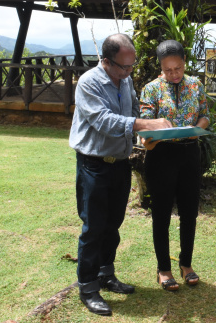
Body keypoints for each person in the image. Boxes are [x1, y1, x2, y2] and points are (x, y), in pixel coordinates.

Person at [69, 33, 171, 316]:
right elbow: (103, 121)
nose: (128, 73)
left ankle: (106, 274)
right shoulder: (89, 83)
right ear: (106, 61)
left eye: (131, 67)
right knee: (93, 227)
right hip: (94, 164)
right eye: (123, 67)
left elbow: (134, 109)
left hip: (119, 164)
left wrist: (150, 135)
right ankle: (88, 287)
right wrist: (145, 124)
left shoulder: (124, 81)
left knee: (113, 223)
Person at [139, 40, 210, 292]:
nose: (174, 74)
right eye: (168, 70)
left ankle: (186, 264)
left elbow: (204, 114)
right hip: (161, 157)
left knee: (189, 211)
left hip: (190, 154)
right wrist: (153, 130)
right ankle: (163, 269)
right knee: (161, 214)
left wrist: (197, 129)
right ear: (160, 67)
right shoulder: (151, 89)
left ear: (184, 63)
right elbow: (145, 123)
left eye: (178, 68)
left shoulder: (195, 85)